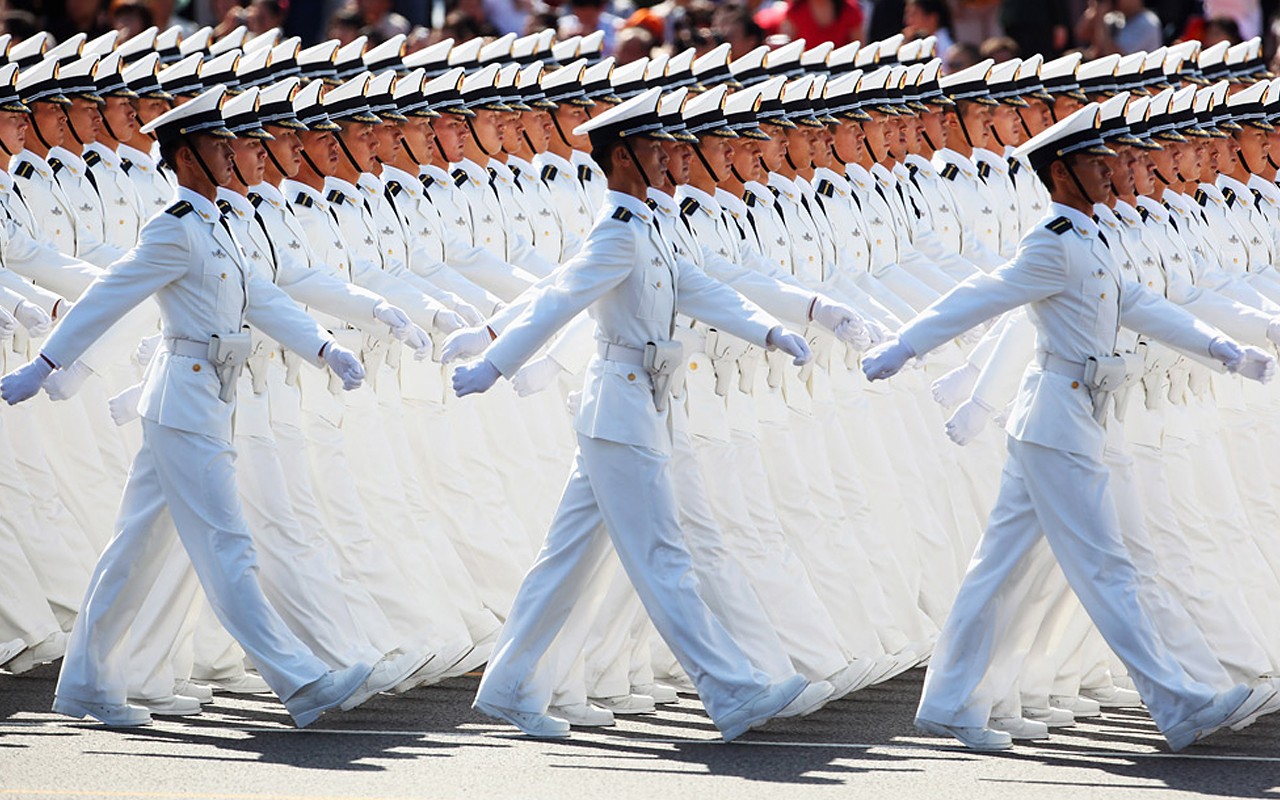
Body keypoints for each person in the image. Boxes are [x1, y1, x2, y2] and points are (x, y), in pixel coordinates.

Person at [861, 102, 1280, 752]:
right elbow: (984, 294)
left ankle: (949, 701)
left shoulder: (1091, 237)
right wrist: (905, 346)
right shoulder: (1054, 241)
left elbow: (1139, 305)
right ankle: (1181, 702)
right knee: (1106, 566)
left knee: (997, 569)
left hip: (1069, 417)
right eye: (1097, 164)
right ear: (1062, 173)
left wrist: (1222, 349)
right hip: (1058, 419)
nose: (1114, 172)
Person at [0, 86, 400, 729]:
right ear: (187, 156)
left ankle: (85, 686)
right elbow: (107, 297)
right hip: (184, 396)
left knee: (133, 551)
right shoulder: (173, 229)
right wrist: (45, 364)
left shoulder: (218, 224)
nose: (232, 152)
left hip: (205, 395)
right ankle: (301, 681)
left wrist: (324, 347)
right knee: (227, 544)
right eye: (217, 144)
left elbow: (260, 298)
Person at [449, 87, 829, 741]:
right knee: (663, 558)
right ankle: (733, 691)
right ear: (623, 156)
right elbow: (560, 300)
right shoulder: (619, 232)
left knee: (565, 559)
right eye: (655, 147)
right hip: (621, 411)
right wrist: (495, 362)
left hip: (635, 408)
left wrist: (770, 330)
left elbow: (697, 288)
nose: (669, 156)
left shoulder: (647, 225)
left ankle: (510, 684)